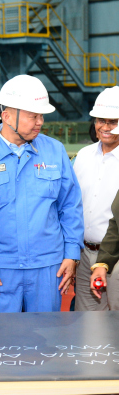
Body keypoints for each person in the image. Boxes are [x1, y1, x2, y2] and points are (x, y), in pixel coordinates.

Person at [0, 74, 84, 313]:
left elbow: (70, 206)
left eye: (41, 115)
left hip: (48, 268)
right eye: (33, 115)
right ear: (7, 116)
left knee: (45, 343)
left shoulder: (55, 151)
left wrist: (71, 254)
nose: (40, 122)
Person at [73, 87, 119, 310]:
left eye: (113, 121)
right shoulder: (83, 156)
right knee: (90, 330)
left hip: (117, 258)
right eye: (101, 120)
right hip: (84, 255)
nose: (105, 127)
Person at [89, 125, 119, 294]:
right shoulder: (84, 156)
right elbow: (115, 223)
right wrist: (103, 263)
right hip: (93, 251)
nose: (106, 127)